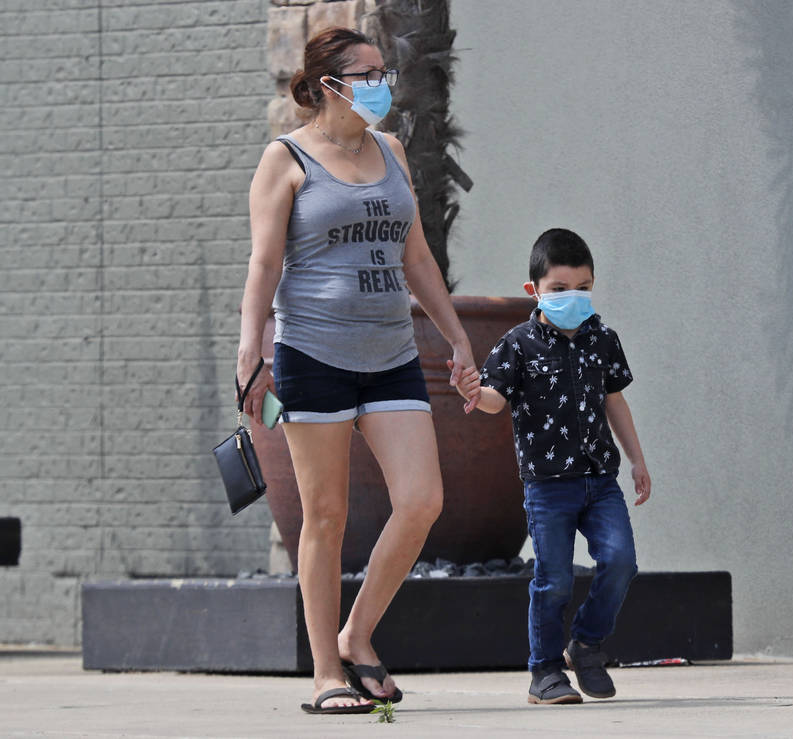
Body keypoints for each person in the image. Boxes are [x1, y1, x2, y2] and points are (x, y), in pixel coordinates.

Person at [235, 27, 481, 715]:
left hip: (391, 354)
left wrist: (458, 338)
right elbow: (263, 264)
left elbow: (419, 258)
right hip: (314, 356)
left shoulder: (392, 151)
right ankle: (325, 673)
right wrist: (249, 349)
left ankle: (358, 631)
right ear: (327, 83)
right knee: (326, 513)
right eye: (367, 73)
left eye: (384, 72)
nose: (382, 84)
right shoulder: (284, 160)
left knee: (422, 497)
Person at [453, 228, 651, 704]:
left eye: (582, 287)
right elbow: (496, 400)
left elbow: (614, 400)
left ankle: (586, 645)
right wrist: (473, 394)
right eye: (560, 289)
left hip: (600, 480)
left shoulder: (603, 338)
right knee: (554, 578)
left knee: (621, 561)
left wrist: (637, 458)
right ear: (534, 290)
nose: (573, 297)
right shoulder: (517, 344)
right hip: (547, 486)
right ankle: (544, 673)